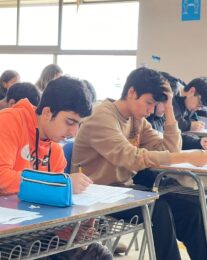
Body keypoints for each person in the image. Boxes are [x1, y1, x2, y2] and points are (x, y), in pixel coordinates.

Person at [71, 67, 207, 260]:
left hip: (123, 190)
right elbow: (132, 157)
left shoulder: (137, 119)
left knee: (189, 208)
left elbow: (169, 149)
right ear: (131, 92)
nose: (151, 110)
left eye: (155, 105)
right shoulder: (103, 118)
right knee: (158, 210)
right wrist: (187, 157)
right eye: (149, 103)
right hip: (95, 192)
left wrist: (169, 110)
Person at [0, 76, 94, 196]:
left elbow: (52, 196)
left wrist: (59, 185)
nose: (74, 133)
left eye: (79, 124)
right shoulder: (8, 121)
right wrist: (58, 183)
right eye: (70, 122)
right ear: (47, 113)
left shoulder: (55, 151)